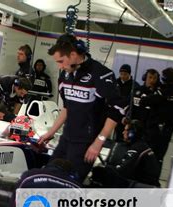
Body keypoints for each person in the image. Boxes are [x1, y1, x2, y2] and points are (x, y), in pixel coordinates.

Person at [37, 34, 125, 182]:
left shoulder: (101, 74)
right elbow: (67, 107)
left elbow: (117, 110)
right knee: (48, 177)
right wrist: (50, 132)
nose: (60, 66)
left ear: (73, 55)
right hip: (66, 138)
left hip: (87, 143)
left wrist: (98, 143)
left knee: (69, 184)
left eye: (61, 61)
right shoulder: (65, 75)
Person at [91, 119, 160, 188]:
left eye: (126, 130)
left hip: (143, 187)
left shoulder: (136, 148)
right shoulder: (142, 145)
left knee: (102, 173)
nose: (123, 132)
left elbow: (122, 171)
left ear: (132, 133)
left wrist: (105, 167)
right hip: (147, 185)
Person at [145, 67, 173, 162]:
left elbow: (145, 101)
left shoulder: (162, 93)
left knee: (147, 157)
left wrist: (154, 89)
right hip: (167, 132)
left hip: (153, 131)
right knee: (159, 159)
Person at [114, 64, 139, 141]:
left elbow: (133, 100)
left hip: (126, 113)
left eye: (125, 74)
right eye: (121, 74)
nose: (122, 76)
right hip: (114, 110)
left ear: (129, 74)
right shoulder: (115, 82)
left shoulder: (135, 85)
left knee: (122, 132)